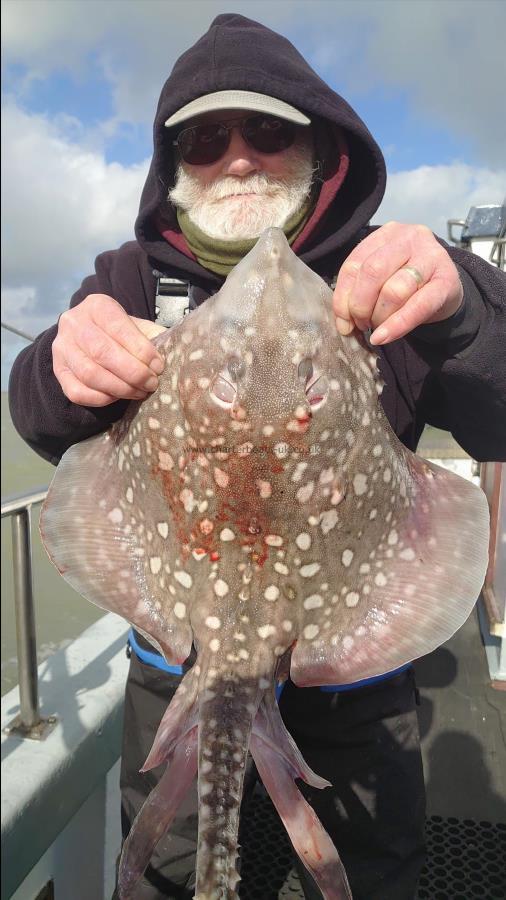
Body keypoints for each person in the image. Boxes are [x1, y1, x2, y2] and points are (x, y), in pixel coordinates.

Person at [8, 13, 506, 900]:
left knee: (365, 877)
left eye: (268, 130)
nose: (237, 156)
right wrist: (59, 361)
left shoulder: (391, 276)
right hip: (176, 662)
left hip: (359, 681)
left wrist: (466, 306)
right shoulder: (128, 279)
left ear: (323, 148)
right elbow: (40, 419)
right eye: (205, 138)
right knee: (164, 870)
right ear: (177, 169)